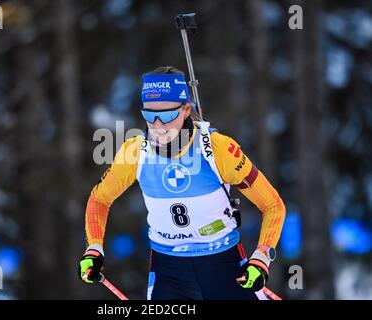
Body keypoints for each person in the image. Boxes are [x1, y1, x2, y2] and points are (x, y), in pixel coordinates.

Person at [78, 66, 286, 300]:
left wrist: (261, 257)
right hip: (169, 270)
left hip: (223, 264)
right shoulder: (135, 152)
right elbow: (99, 199)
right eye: (149, 115)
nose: (158, 126)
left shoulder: (216, 149)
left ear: (186, 109)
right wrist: (94, 247)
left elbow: (273, 205)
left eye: (167, 115)